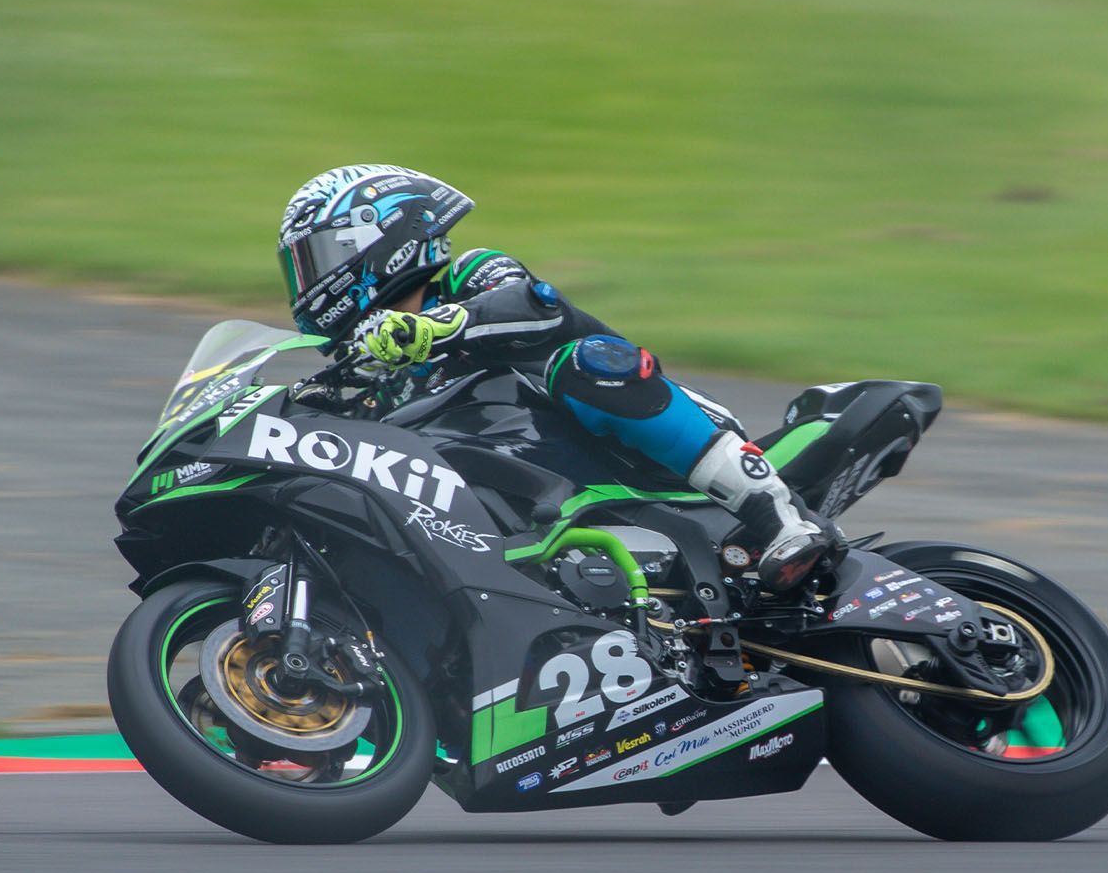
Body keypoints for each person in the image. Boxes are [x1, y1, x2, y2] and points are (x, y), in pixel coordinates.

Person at [277, 164, 840, 592]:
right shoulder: (374, 368)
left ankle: (774, 510)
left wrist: (436, 327)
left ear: (382, 239)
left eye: (318, 257)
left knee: (586, 360)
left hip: (634, 444)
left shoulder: (476, 274)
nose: (310, 278)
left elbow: (541, 310)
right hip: (541, 503)